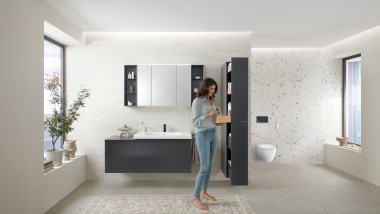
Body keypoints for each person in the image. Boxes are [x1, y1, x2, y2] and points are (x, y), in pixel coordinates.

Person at [191, 77, 221, 210]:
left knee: (209, 166)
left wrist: (219, 121)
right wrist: (209, 114)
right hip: (202, 135)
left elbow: (213, 119)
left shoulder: (212, 101)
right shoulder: (197, 102)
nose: (213, 91)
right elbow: (195, 122)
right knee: (204, 167)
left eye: (214, 89)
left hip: (213, 134)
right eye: (211, 88)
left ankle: (204, 192)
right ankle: (196, 198)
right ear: (205, 88)